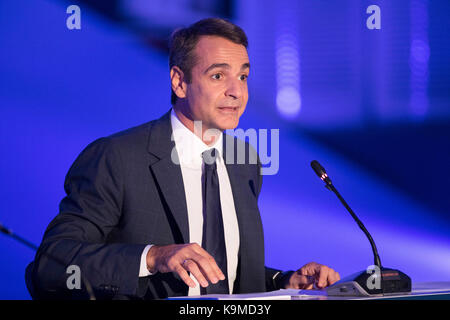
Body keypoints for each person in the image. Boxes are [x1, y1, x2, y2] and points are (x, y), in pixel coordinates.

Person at [27, 18, 340, 300]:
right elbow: (52, 264)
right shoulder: (117, 158)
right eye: (218, 75)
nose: (236, 91)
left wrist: (285, 281)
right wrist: (153, 257)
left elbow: (227, 278)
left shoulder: (245, 162)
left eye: (243, 77)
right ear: (179, 82)